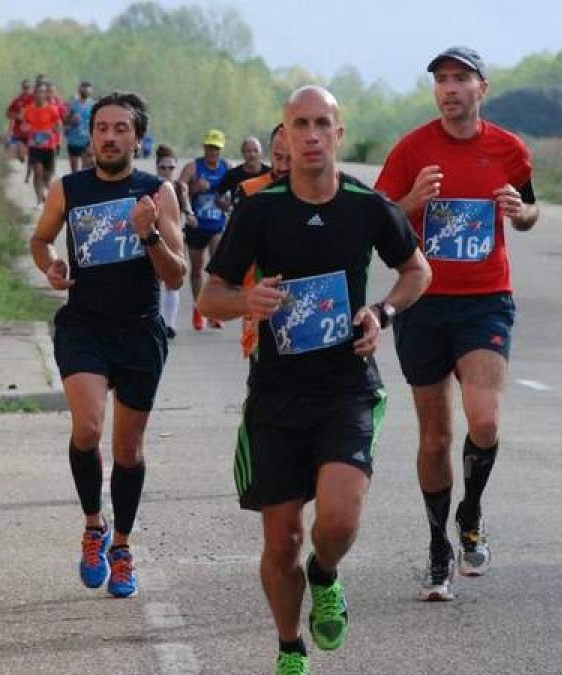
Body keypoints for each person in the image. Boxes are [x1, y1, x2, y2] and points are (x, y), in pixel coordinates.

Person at [197, 85, 430, 675]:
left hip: (346, 386)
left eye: (321, 123)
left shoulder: (366, 205)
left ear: (338, 134)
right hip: (277, 394)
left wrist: (382, 313)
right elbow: (210, 294)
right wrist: (246, 299)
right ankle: (289, 647)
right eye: (299, 124)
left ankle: (326, 576)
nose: (310, 135)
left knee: (338, 519)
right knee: (281, 541)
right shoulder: (260, 209)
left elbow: (416, 269)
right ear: (284, 135)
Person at [374, 46, 539, 601]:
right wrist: (411, 202)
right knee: (437, 436)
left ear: (481, 89)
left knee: (484, 421)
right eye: (441, 80)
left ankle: (470, 513)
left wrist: (523, 212)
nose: (449, 88)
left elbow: (533, 211)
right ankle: (438, 548)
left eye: (460, 79)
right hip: (422, 302)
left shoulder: (509, 148)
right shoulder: (412, 149)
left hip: (485, 300)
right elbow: (377, 221)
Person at [29, 92, 187, 600]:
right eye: (101, 128)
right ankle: (93, 525)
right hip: (85, 326)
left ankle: (121, 547)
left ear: (136, 139)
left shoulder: (157, 193)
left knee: (127, 449)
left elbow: (178, 276)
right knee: (89, 426)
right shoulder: (68, 188)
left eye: (121, 129)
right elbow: (41, 241)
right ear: (91, 135)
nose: (109, 137)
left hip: (140, 330)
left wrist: (150, 238)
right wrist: (50, 265)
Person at [236, 123, 291, 358]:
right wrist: (249, 302)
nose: (282, 166)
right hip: (263, 308)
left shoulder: (326, 191)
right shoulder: (251, 192)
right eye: (277, 157)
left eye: (290, 158)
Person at [178, 128, 231, 330]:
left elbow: (237, 193)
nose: (212, 152)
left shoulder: (227, 168)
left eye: (216, 148)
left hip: (217, 225)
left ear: (221, 150)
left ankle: (213, 312)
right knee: (197, 270)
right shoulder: (193, 167)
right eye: (209, 148)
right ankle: (198, 310)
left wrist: (229, 206)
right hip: (197, 225)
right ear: (204, 147)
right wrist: (193, 189)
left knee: (216, 270)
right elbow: (178, 189)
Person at [154, 143, 192, 339]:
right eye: (163, 167)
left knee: (173, 281)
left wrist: (191, 216)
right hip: (154, 241)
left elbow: (187, 208)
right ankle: (157, 319)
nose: (167, 171)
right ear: (156, 167)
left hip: (176, 239)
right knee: (155, 281)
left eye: (171, 167)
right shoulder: (150, 186)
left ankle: (169, 324)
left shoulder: (179, 187)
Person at [21, 82, 64, 205]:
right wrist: (26, 128)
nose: (40, 94)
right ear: (34, 94)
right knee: (37, 171)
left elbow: (58, 125)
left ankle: (45, 193)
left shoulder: (51, 109)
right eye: (38, 92)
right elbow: (24, 124)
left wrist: (58, 141)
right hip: (34, 146)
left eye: (43, 92)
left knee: (46, 177)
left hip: (49, 146)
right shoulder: (29, 109)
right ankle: (39, 200)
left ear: (46, 94)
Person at [216, 135, 270, 212]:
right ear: (243, 153)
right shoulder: (233, 174)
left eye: (255, 151)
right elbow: (218, 197)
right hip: (240, 219)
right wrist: (229, 208)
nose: (252, 155)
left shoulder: (270, 173)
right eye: (248, 151)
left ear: (261, 153)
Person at [65, 81, 95, 173]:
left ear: (91, 91)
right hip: (73, 140)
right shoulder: (73, 105)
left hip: (87, 140)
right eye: (83, 89)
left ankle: (85, 185)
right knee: (74, 171)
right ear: (79, 90)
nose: (86, 92)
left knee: (86, 168)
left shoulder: (93, 105)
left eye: (87, 90)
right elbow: (65, 122)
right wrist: (71, 121)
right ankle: (76, 185)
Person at [6, 78, 33, 165]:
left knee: (34, 154)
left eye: (28, 88)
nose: (26, 90)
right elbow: (9, 114)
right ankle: (24, 157)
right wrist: (17, 116)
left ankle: (32, 165)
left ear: (31, 88)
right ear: (22, 88)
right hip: (19, 132)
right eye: (25, 88)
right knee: (21, 156)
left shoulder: (35, 99)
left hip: (32, 131)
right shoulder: (17, 100)